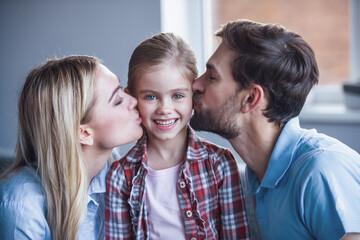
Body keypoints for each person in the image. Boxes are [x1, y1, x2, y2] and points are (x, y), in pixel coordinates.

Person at [190, 19, 360, 240]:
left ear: (251, 98)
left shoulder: (321, 169)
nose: (196, 84)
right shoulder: (259, 175)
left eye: (212, 77)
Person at [106, 33, 249, 240]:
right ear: (132, 98)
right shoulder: (120, 175)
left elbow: (236, 235)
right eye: (151, 97)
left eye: (178, 96)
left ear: (194, 96)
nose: (165, 109)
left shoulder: (219, 163)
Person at [0, 55, 143, 240]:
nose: (133, 100)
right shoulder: (22, 205)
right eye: (117, 101)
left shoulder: (117, 173)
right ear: (83, 133)